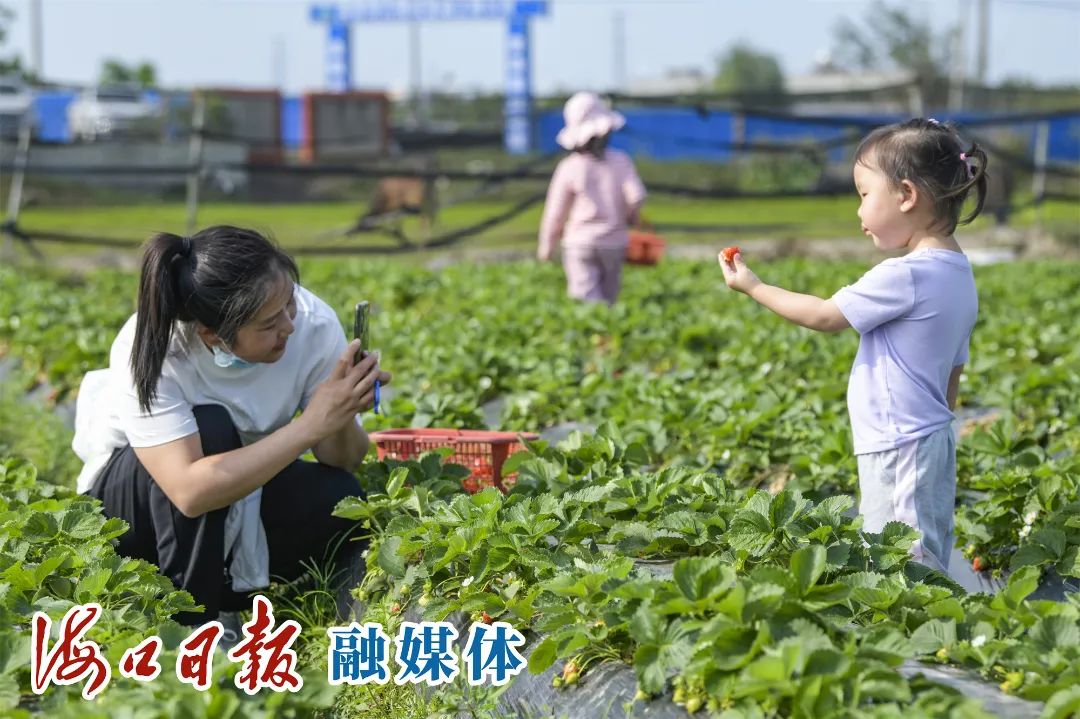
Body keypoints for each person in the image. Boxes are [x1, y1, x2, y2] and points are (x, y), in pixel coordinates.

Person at [71, 225, 391, 625]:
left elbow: (342, 460)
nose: (289, 326)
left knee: (338, 495)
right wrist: (309, 426)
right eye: (269, 323)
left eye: (289, 302)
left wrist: (342, 410)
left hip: (235, 496)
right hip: (132, 515)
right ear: (212, 334)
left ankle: (231, 594)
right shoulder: (156, 345)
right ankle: (188, 626)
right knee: (211, 430)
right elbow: (188, 490)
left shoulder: (313, 326)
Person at [719, 119, 988, 573]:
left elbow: (824, 316)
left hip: (898, 442)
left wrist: (754, 286)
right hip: (930, 438)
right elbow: (954, 369)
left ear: (905, 195)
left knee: (898, 561)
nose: (859, 212)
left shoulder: (906, 274)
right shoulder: (959, 274)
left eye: (864, 195)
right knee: (924, 544)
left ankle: (909, 633)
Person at [538, 91, 646, 304]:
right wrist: (632, 217)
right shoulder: (620, 161)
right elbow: (636, 198)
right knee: (609, 297)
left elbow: (555, 213)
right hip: (614, 243)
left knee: (585, 297)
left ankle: (593, 334)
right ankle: (607, 334)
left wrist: (546, 247)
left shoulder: (569, 167)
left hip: (580, 243)